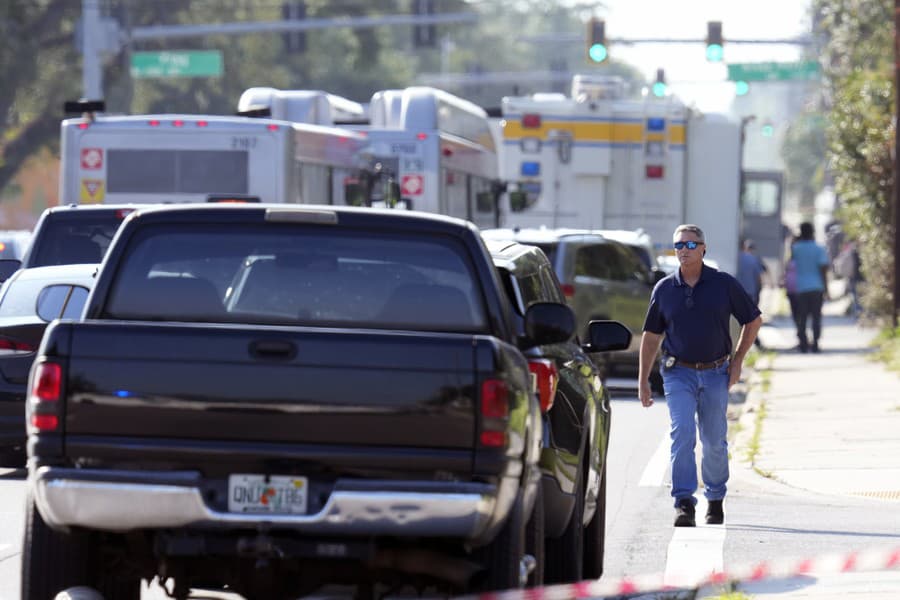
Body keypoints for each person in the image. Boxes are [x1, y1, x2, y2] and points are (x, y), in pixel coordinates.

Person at [638, 224, 762, 527]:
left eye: (691, 245)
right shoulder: (665, 289)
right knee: (682, 434)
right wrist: (642, 380)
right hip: (678, 373)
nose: (684, 250)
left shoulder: (723, 285)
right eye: (679, 245)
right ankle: (683, 502)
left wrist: (738, 361)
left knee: (714, 441)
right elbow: (651, 336)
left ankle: (716, 498)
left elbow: (753, 320)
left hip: (716, 372)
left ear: (703, 248)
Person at [791, 222, 829, 353]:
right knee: (816, 317)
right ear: (813, 232)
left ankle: (803, 342)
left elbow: (791, 264)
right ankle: (816, 343)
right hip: (817, 286)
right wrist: (826, 288)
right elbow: (823, 269)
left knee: (802, 317)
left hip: (801, 287)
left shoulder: (796, 248)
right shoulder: (819, 248)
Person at [736, 239, 768, 348]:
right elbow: (759, 277)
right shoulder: (752, 259)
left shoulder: (732, 258)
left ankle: (738, 344)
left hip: (734, 294)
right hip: (749, 293)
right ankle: (753, 342)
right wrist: (759, 291)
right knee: (751, 321)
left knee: (736, 322)